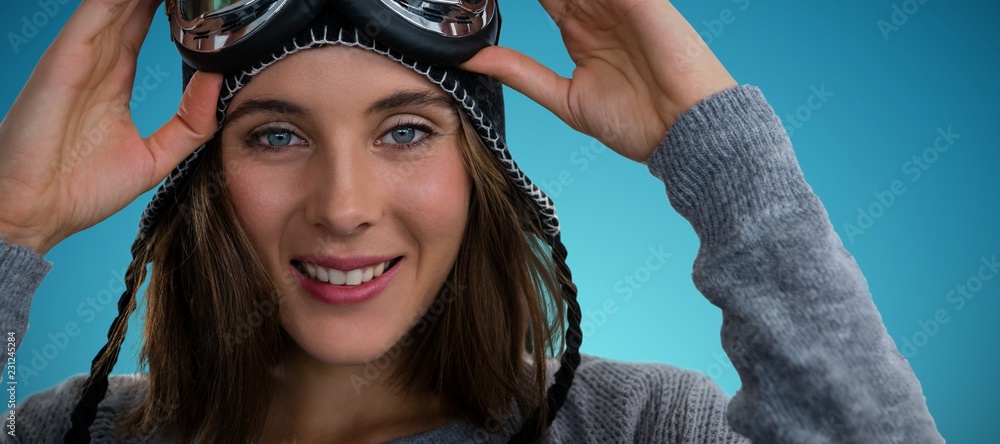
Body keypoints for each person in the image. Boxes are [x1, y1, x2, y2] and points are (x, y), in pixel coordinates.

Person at [0, 0, 945, 443]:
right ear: (206, 173)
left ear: (483, 167)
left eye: (406, 131)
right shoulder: (71, 434)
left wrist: (724, 161)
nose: (343, 206)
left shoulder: (638, 428)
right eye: (276, 135)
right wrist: (10, 225)